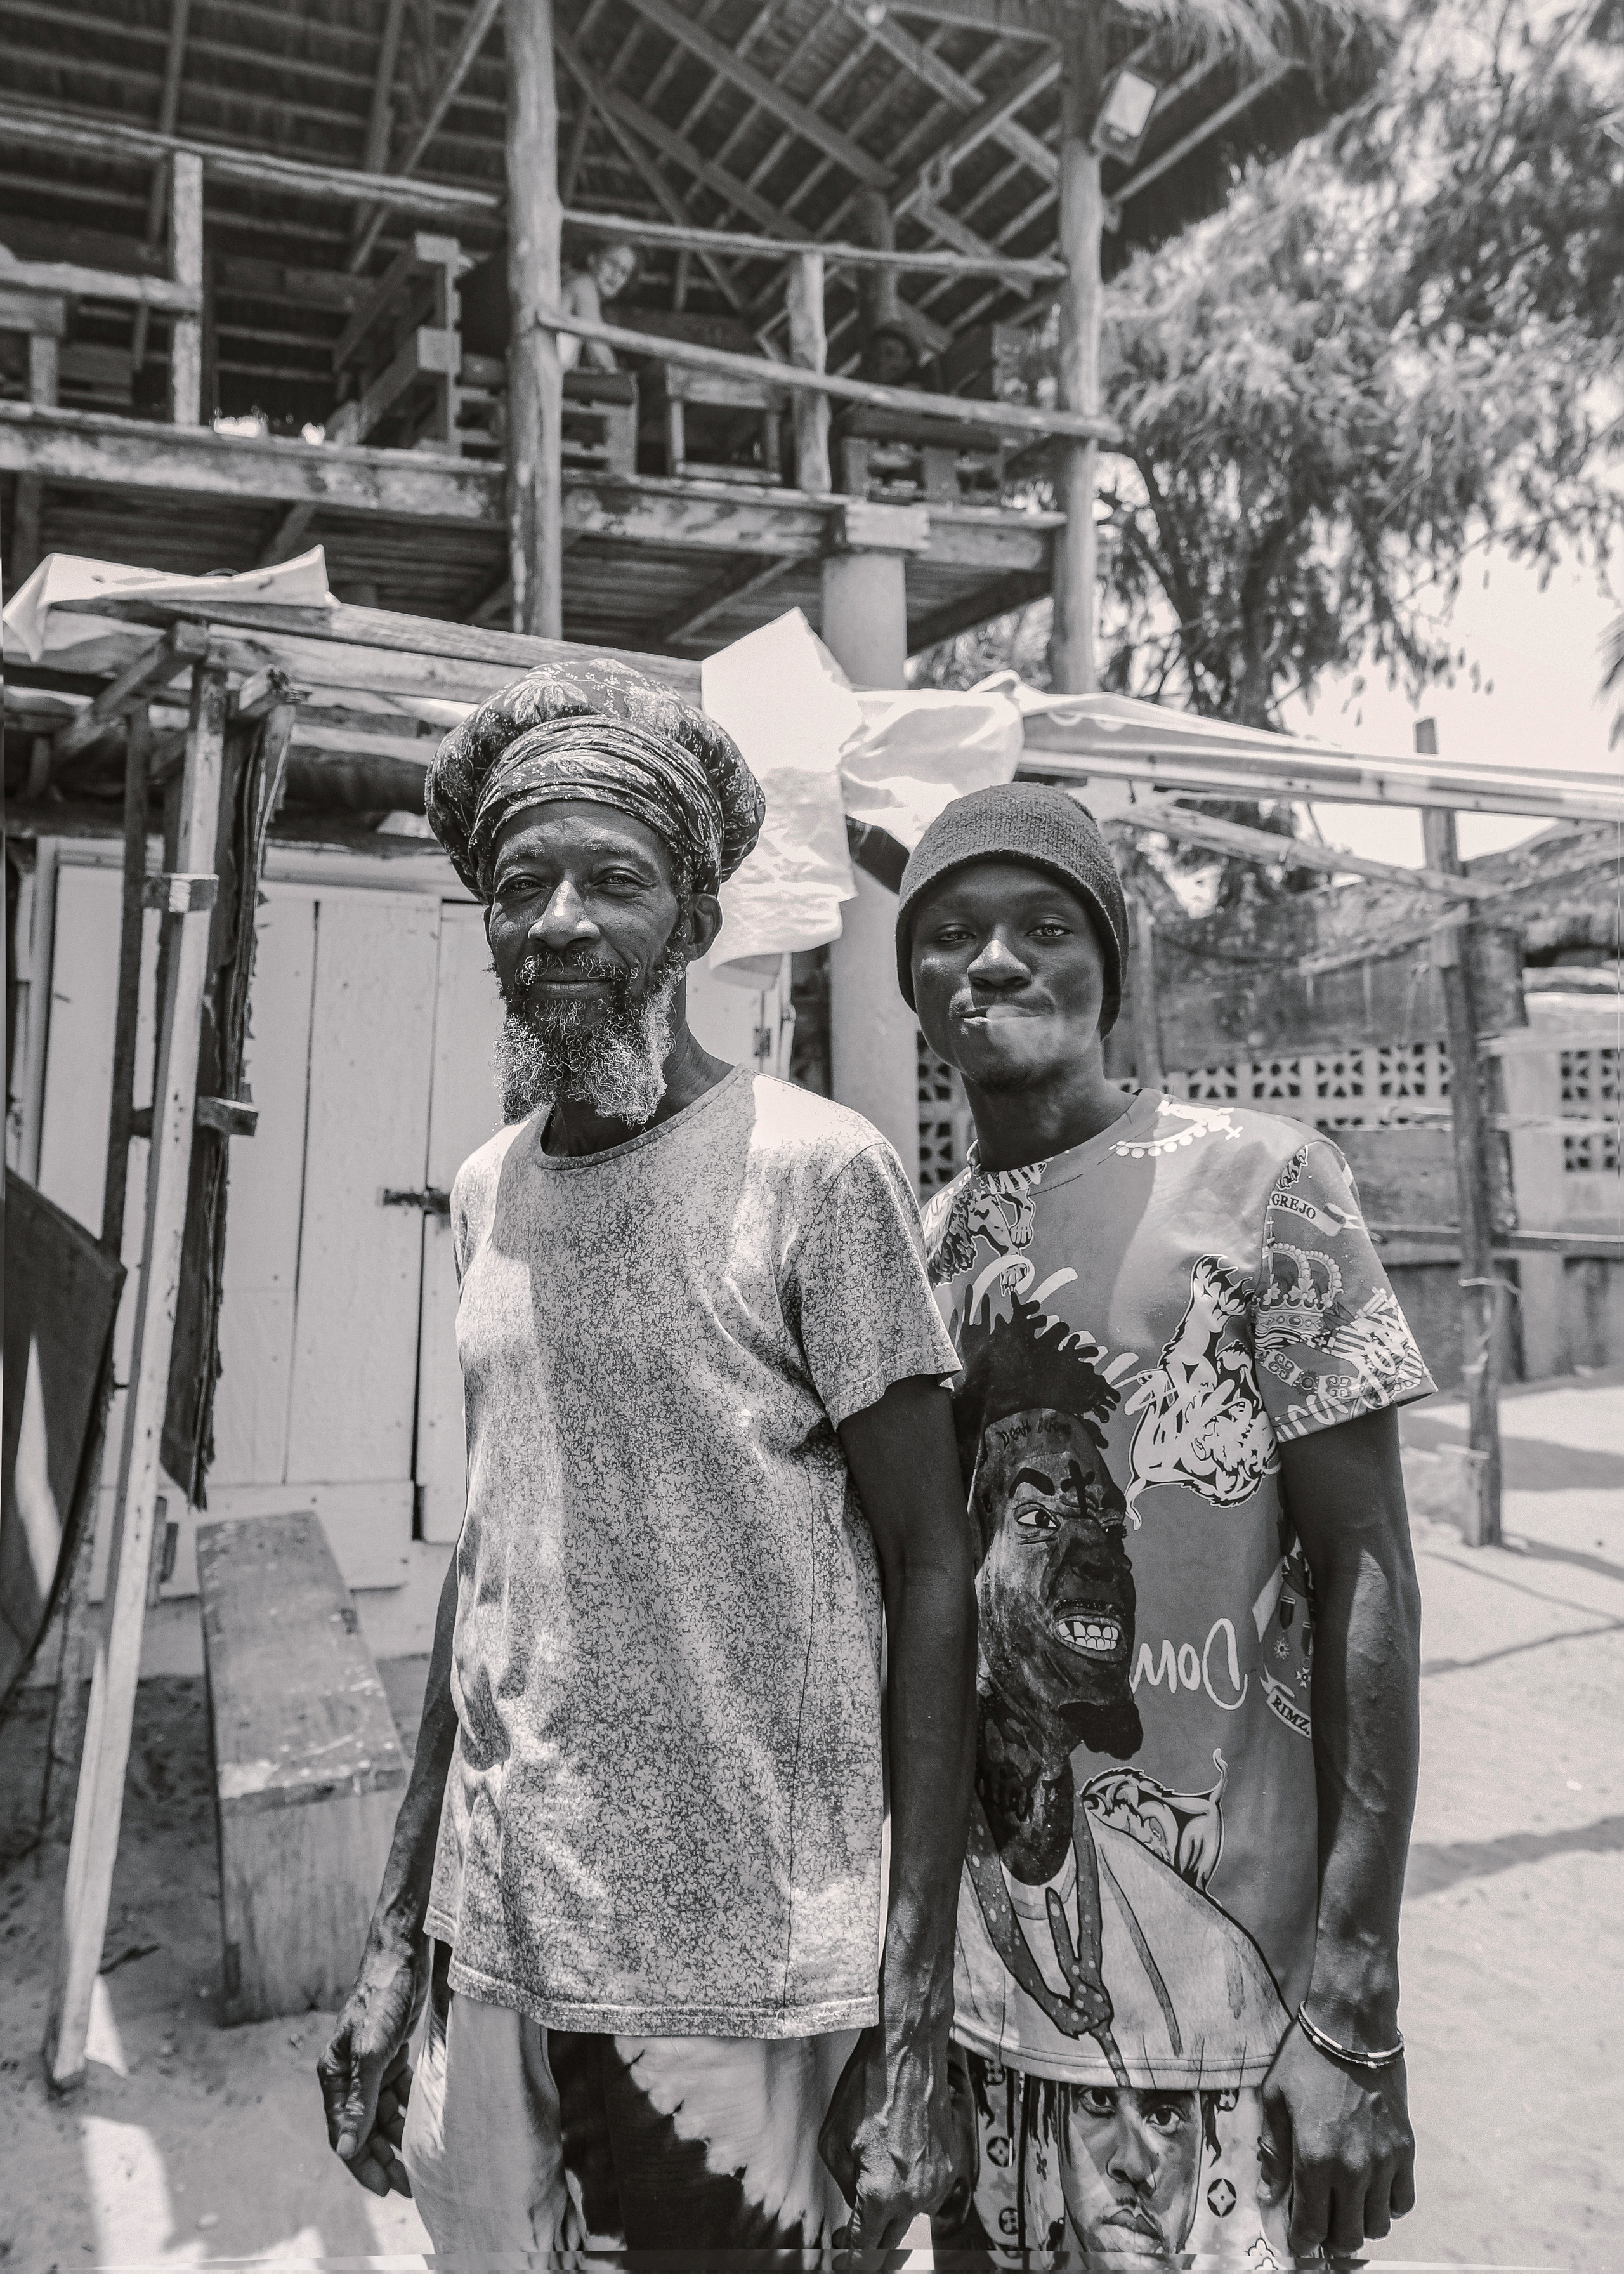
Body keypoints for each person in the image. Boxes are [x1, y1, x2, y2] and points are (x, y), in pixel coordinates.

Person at [317, 659, 977, 2258]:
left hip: (739, 1974)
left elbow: (931, 1571)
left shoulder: (817, 1175)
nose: (557, 922)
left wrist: (910, 2022)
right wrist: (397, 1935)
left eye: (611, 880)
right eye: (520, 884)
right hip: (507, 1936)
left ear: (690, 924)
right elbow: (491, 1562)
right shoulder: (487, 1191)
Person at [900, 784, 1429, 2266]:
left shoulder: (1263, 1186)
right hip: (991, 2029)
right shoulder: (928, 1246)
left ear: (1112, 967)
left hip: (1232, 2036)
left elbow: (1368, 1573)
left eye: (1040, 926)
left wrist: (1353, 1990)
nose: (990, 961)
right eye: (945, 936)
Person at [559, 240, 639, 372]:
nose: (616, 275)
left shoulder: (577, 281)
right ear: (593, 259)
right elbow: (600, 355)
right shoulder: (584, 286)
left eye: (624, 272)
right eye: (612, 263)